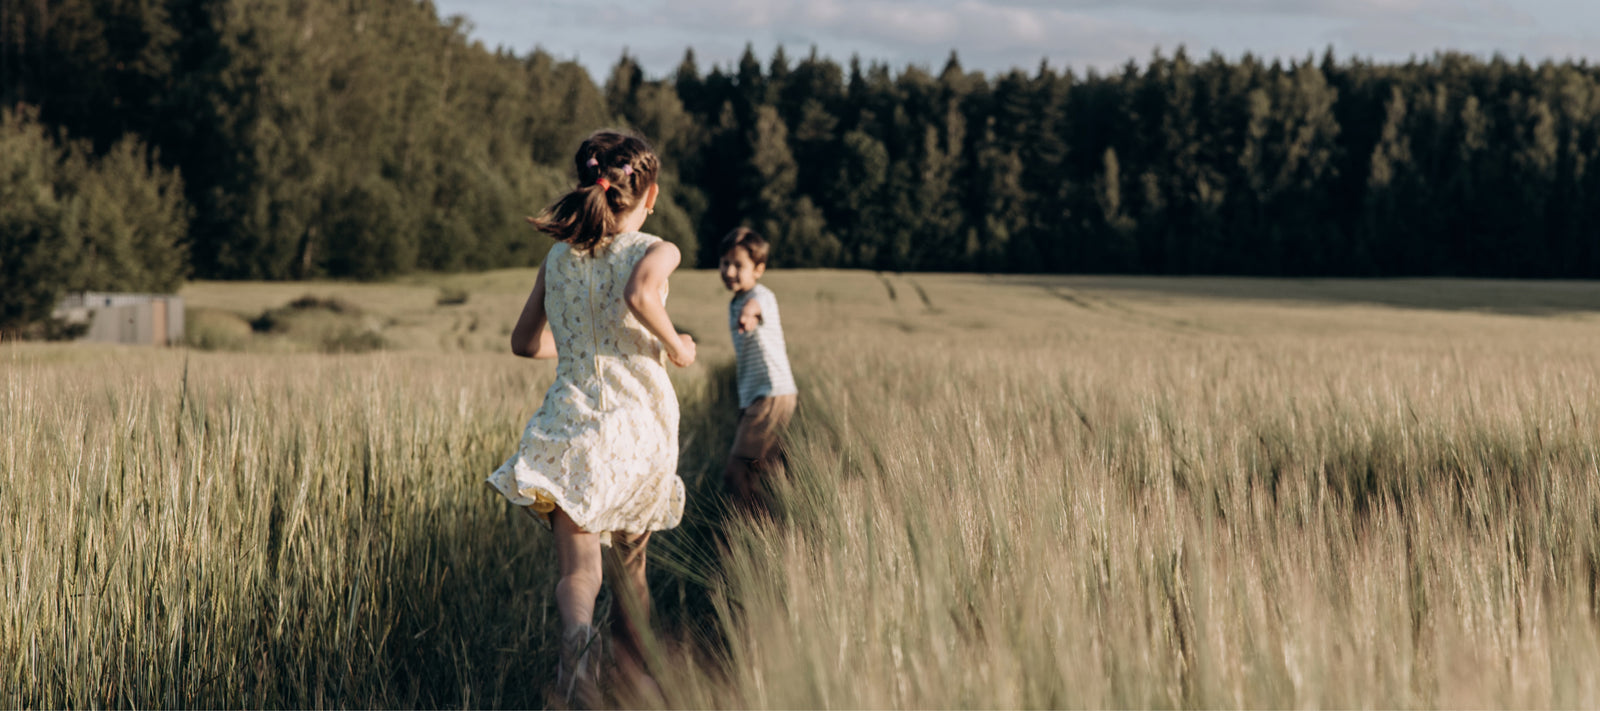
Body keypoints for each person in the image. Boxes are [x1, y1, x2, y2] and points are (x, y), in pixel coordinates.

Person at [485, 130, 695, 706]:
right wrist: (678, 348)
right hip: (634, 433)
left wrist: (581, 347)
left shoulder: (559, 257)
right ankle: (634, 682)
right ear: (649, 194)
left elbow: (526, 343)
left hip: (570, 429)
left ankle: (576, 649)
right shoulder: (658, 248)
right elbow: (641, 295)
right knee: (632, 570)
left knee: (578, 573)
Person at [718, 227, 798, 513]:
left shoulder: (760, 295)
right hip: (761, 396)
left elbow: (755, 307)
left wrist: (749, 317)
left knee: (735, 473)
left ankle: (758, 531)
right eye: (725, 263)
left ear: (759, 270)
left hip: (770, 395)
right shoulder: (736, 300)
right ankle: (777, 528)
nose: (729, 271)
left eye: (738, 265)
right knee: (767, 474)